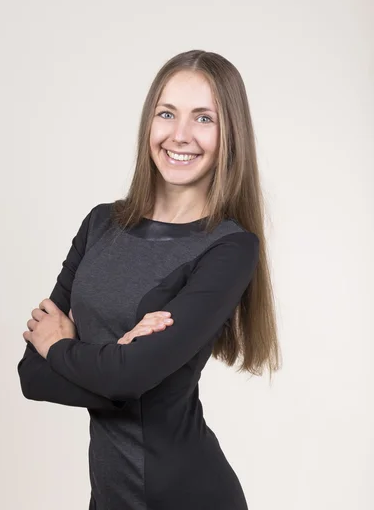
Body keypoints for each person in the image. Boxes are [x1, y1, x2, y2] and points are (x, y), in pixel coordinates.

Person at [17, 49, 281, 510]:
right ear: (149, 123)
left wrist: (67, 351)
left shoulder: (229, 248)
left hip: (187, 494)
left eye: (203, 118)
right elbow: (32, 376)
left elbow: (120, 375)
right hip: (111, 496)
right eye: (167, 113)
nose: (180, 135)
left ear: (230, 134)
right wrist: (117, 364)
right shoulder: (100, 225)